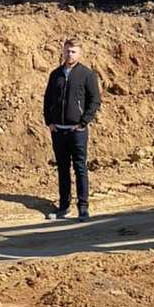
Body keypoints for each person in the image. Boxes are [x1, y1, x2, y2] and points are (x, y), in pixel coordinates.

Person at [43, 38, 101, 221]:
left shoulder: (87, 75)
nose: (70, 54)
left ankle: (83, 208)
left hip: (77, 131)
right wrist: (49, 122)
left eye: (74, 51)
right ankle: (64, 207)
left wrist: (83, 122)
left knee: (80, 168)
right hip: (58, 131)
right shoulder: (55, 74)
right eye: (67, 51)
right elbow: (47, 99)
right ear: (63, 51)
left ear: (80, 53)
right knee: (62, 169)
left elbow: (95, 100)